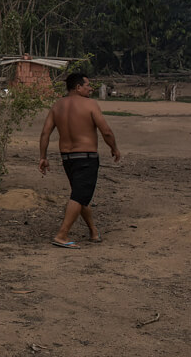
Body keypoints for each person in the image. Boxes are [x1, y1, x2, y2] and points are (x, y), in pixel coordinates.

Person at [38, 73, 120, 249]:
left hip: (67, 158)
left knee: (80, 195)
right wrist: (114, 148)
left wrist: (43, 157)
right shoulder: (90, 104)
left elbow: (45, 133)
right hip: (86, 157)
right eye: (87, 85)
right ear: (78, 87)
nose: (90, 88)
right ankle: (62, 235)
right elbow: (105, 131)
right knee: (78, 196)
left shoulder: (57, 106)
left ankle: (93, 232)